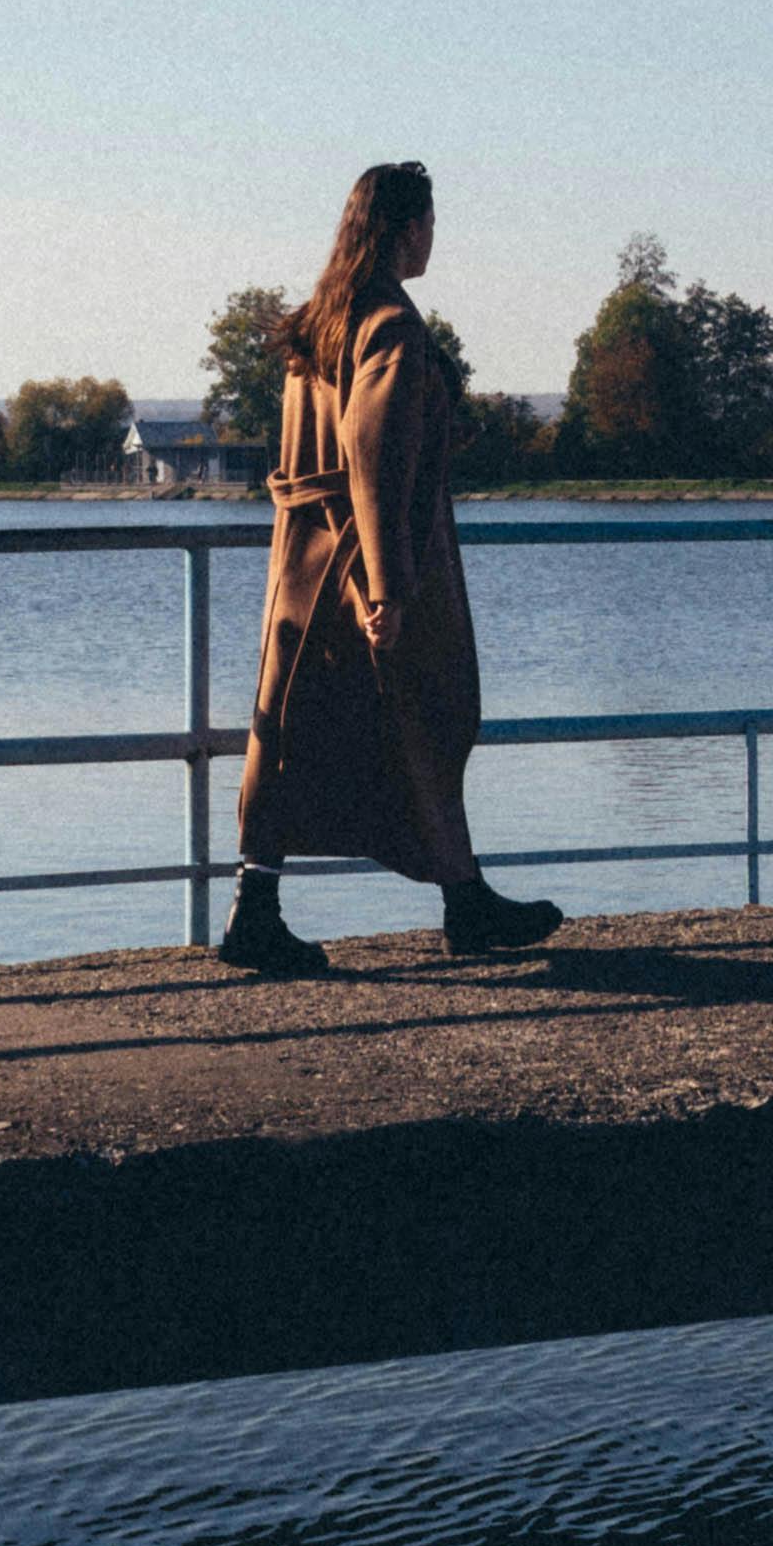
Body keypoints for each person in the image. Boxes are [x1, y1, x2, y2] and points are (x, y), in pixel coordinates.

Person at [223, 163, 562, 975]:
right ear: (407, 229)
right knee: (430, 713)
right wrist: (388, 587)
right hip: (368, 558)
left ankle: (434, 896)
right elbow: (372, 460)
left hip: (305, 559)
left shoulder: (320, 324)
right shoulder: (387, 325)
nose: (435, 237)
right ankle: (456, 902)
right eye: (431, 222)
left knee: (295, 729)